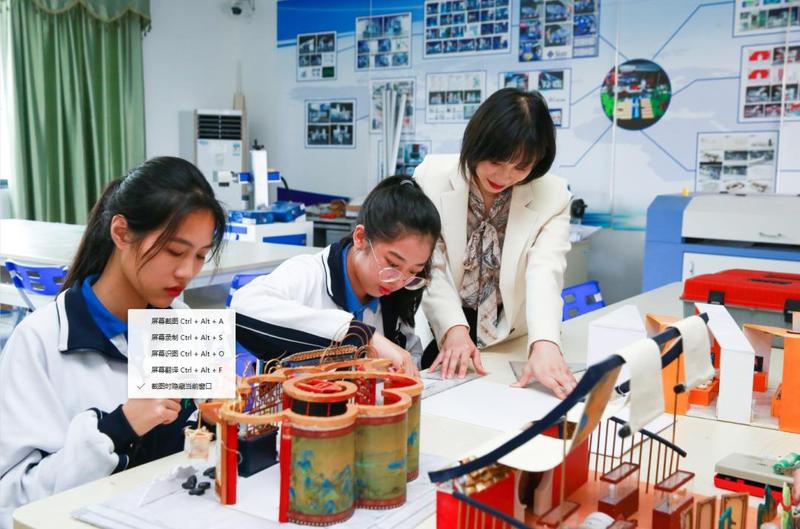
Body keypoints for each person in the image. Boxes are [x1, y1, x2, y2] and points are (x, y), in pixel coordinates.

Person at [0, 157, 227, 527]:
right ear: (121, 233)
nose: (188, 271)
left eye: (201, 255)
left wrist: (222, 419)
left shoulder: (180, 320)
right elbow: (11, 503)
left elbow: (196, 452)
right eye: (174, 251)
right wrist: (118, 427)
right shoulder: (39, 341)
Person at [414, 87, 577, 398]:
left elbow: (545, 271)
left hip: (509, 332)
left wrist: (545, 343)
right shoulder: (431, 178)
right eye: (497, 161)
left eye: (521, 167)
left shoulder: (553, 195)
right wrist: (453, 328)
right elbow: (432, 263)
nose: (504, 176)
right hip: (443, 321)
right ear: (477, 143)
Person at [232, 176, 441, 376]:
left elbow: (408, 354)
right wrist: (359, 335)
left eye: (413, 271)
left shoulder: (394, 296)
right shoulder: (308, 274)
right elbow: (242, 307)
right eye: (392, 263)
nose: (398, 282)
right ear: (360, 237)